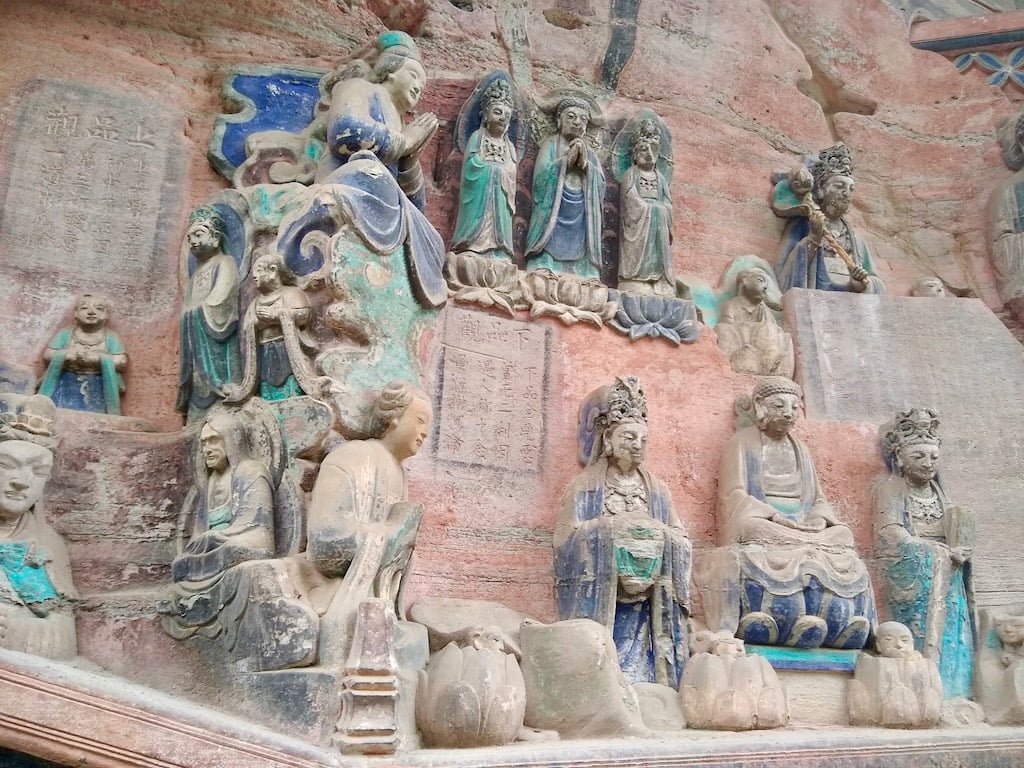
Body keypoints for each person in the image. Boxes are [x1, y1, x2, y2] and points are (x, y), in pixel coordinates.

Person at [553, 376, 691, 688]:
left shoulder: (657, 490)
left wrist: (659, 535)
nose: (637, 445)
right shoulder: (586, 486)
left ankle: (656, 679)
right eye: (629, 437)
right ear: (609, 441)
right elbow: (565, 539)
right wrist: (607, 531)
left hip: (648, 596)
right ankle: (599, 682)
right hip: (606, 594)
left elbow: (680, 538)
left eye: (643, 439)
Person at [717, 377, 875, 649]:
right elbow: (734, 495)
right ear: (760, 407)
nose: (788, 413)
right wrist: (773, 516)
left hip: (804, 525)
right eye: (779, 405)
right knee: (756, 531)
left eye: (793, 407)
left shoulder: (800, 449)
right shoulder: (742, 443)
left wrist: (817, 517)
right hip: (769, 523)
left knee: (842, 535)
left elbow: (817, 497)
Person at [160, 406, 318, 670]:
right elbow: (198, 538)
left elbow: (261, 539)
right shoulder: (210, 483)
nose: (207, 449)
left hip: (240, 549)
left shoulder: (251, 472)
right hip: (212, 561)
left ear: (232, 440)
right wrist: (202, 546)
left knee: (252, 572)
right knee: (178, 574)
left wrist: (219, 540)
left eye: (213, 441)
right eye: (203, 443)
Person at [307, 381, 433, 666]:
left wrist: (401, 545)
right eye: (420, 421)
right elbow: (326, 539)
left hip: (378, 590)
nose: (425, 432)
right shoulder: (353, 456)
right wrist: (386, 536)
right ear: (394, 417)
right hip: (337, 585)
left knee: (414, 642)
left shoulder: (400, 476)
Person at [873, 407, 975, 699]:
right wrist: (934, 550)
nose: (928, 463)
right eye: (918, 456)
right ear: (900, 460)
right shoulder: (891, 489)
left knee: (954, 628)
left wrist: (960, 547)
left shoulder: (940, 495)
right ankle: (924, 687)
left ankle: (955, 690)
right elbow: (891, 531)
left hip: (947, 569)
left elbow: (955, 528)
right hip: (915, 568)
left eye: (933, 457)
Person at [316, 30, 439, 210]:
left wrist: (409, 160)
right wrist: (405, 142)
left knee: (430, 235)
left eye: (421, 86)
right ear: (391, 69)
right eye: (413, 75)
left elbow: (417, 205)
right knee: (372, 173)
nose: (417, 87)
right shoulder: (359, 88)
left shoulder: (402, 125)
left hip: (383, 197)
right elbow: (344, 132)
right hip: (348, 183)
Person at [0, 393, 77, 659]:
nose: (21, 481)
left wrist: (17, 627)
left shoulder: (48, 544)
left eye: (38, 471)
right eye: (6, 465)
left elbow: (65, 636)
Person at [773, 143, 884, 294]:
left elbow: (877, 283)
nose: (846, 193)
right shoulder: (803, 225)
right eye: (839, 186)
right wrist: (813, 238)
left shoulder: (856, 241)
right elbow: (782, 274)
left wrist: (862, 284)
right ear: (820, 189)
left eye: (850, 189)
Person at [226, 253, 330, 402]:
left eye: (260, 270)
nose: (254, 276)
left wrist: (276, 315)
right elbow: (247, 326)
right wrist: (258, 323)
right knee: (266, 385)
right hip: (264, 353)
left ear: (273, 271)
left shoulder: (291, 293)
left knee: (290, 382)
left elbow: (303, 315)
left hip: (286, 350)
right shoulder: (255, 303)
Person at [525, 97, 606, 279]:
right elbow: (540, 178)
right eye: (571, 117)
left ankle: (584, 269)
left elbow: (600, 184)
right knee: (550, 234)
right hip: (554, 204)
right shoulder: (551, 145)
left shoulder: (591, 154)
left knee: (584, 234)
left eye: (583, 119)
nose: (577, 122)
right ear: (559, 120)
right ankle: (544, 261)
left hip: (581, 208)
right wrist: (565, 162)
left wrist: (586, 166)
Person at [175, 206, 242, 421]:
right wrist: (189, 317)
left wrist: (195, 314)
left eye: (198, 234)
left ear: (215, 237)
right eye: (190, 237)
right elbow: (188, 308)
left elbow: (220, 300)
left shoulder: (226, 263)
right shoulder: (195, 275)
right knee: (196, 386)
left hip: (217, 342)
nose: (193, 241)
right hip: (196, 346)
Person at [450, 78, 518, 260]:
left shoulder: (509, 146)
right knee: (467, 262)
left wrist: (501, 172)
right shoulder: (477, 137)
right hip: (480, 195)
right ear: (485, 115)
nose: (502, 118)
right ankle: (471, 246)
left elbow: (511, 171)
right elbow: (471, 165)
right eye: (497, 112)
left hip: (499, 199)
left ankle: (499, 251)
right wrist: (491, 169)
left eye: (507, 116)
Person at [38, 294, 127, 415]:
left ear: (106, 314)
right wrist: (67, 355)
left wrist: (97, 359)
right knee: (56, 411)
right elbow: (48, 355)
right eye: (85, 308)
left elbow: (121, 361)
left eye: (99, 309)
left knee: (96, 415)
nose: (91, 312)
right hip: (66, 381)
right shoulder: (66, 333)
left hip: (98, 383)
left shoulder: (111, 338)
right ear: (75, 313)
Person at [617, 119, 674, 296]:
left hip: (657, 224)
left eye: (653, 150)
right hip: (639, 222)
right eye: (643, 149)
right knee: (636, 247)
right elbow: (630, 199)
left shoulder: (661, 178)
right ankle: (634, 279)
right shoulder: (631, 174)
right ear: (634, 154)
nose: (649, 154)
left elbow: (667, 202)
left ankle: (659, 281)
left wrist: (661, 209)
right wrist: (649, 208)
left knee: (659, 239)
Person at [715, 267, 794, 377]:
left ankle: (771, 367)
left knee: (769, 328)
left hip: (762, 350)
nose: (765, 287)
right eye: (760, 280)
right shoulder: (731, 305)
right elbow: (727, 325)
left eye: (766, 284)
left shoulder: (763, 309)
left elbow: (772, 332)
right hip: (741, 349)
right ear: (744, 280)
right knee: (722, 329)